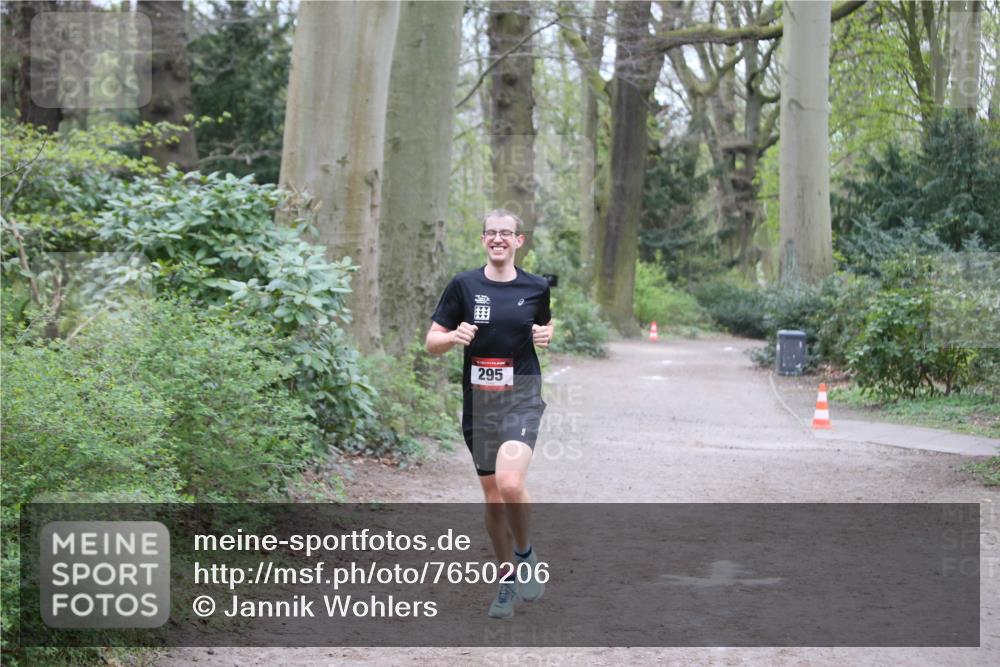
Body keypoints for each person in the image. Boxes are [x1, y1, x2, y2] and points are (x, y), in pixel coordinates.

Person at [425, 209, 554, 619]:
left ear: (519, 241)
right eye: (492, 233)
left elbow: (545, 325)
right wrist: (452, 336)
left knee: (510, 483)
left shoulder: (536, 287)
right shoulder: (463, 285)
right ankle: (506, 578)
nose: (498, 239)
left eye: (506, 233)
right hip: (480, 403)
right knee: (494, 498)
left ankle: (525, 555)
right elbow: (431, 342)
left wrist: (546, 333)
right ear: (483, 240)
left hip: (522, 395)